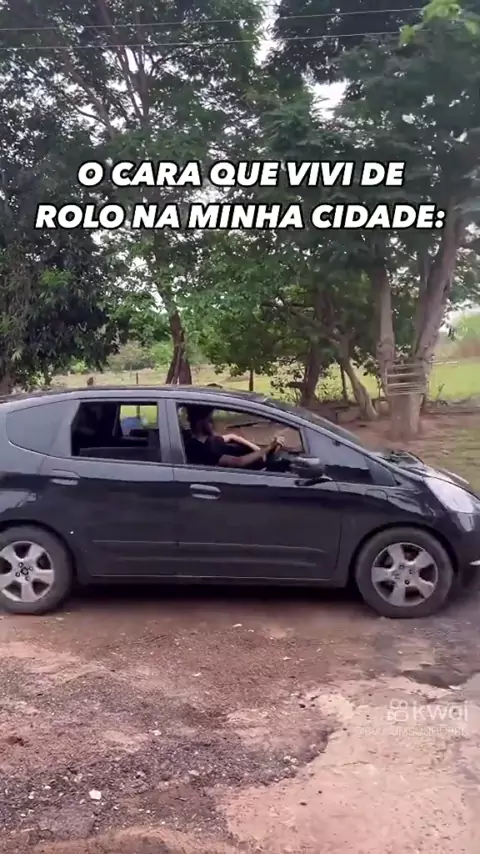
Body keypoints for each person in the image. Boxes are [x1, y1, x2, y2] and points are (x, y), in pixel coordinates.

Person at [184, 405, 285, 469]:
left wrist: (258, 450)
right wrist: (268, 448)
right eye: (210, 420)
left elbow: (232, 437)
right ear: (200, 423)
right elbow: (238, 462)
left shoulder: (207, 439)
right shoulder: (199, 449)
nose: (213, 423)